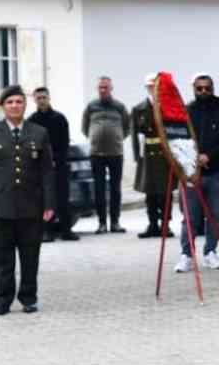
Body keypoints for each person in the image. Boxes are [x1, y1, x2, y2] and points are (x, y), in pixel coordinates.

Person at [0, 86, 55, 315]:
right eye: (10, 102)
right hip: (0, 206)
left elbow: (47, 172)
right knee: (2, 258)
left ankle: (29, 298)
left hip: (32, 205)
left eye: (19, 102)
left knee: (30, 256)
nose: (14, 106)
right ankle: (2, 300)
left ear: (25, 105)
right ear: (3, 106)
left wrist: (49, 204)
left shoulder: (39, 133)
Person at [174, 74, 219, 274]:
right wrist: (190, 158)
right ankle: (186, 255)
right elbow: (179, 141)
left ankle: (210, 252)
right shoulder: (187, 112)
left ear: (212, 88)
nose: (203, 92)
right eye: (199, 89)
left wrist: (210, 156)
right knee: (190, 217)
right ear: (194, 89)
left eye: (207, 88)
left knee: (214, 215)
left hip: (216, 172)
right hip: (191, 173)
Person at [29, 87, 78, 243]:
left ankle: (66, 231)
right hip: (40, 166)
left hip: (59, 163)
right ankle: (47, 232)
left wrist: (57, 160)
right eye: (38, 98)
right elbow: (31, 145)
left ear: (49, 98)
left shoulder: (59, 118)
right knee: (44, 200)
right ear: (34, 100)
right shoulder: (31, 121)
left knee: (63, 197)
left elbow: (65, 142)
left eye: (44, 97)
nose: (42, 100)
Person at [81, 76, 129, 233]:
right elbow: (84, 127)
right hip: (96, 154)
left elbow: (127, 127)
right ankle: (102, 223)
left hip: (116, 153)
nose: (103, 90)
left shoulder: (119, 107)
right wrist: (95, 138)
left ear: (111, 88)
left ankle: (115, 222)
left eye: (105, 87)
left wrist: (117, 138)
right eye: (100, 87)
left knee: (115, 189)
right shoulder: (91, 106)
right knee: (99, 189)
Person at [132, 77, 171, 239]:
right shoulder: (139, 108)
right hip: (147, 154)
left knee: (164, 193)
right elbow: (135, 134)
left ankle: (165, 225)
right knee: (150, 193)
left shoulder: (167, 107)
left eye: (154, 86)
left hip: (164, 155)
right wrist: (137, 156)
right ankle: (153, 223)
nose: (152, 88)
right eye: (149, 86)